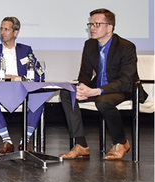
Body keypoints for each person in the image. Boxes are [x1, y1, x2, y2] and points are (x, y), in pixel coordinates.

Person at [59, 8, 145, 160]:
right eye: (90, 24)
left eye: (97, 24)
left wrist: (97, 91)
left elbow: (125, 81)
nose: (92, 28)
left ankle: (121, 142)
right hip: (97, 89)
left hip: (123, 89)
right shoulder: (90, 45)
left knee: (103, 101)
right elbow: (85, 74)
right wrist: (82, 87)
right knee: (67, 93)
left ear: (110, 27)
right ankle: (81, 145)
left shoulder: (126, 47)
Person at [0, 17, 43, 154]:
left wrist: (23, 77)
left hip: (21, 89)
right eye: (1, 29)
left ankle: (25, 141)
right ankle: (7, 141)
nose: (2, 32)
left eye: (6, 29)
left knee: (38, 100)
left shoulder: (26, 50)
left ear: (15, 32)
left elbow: (39, 72)